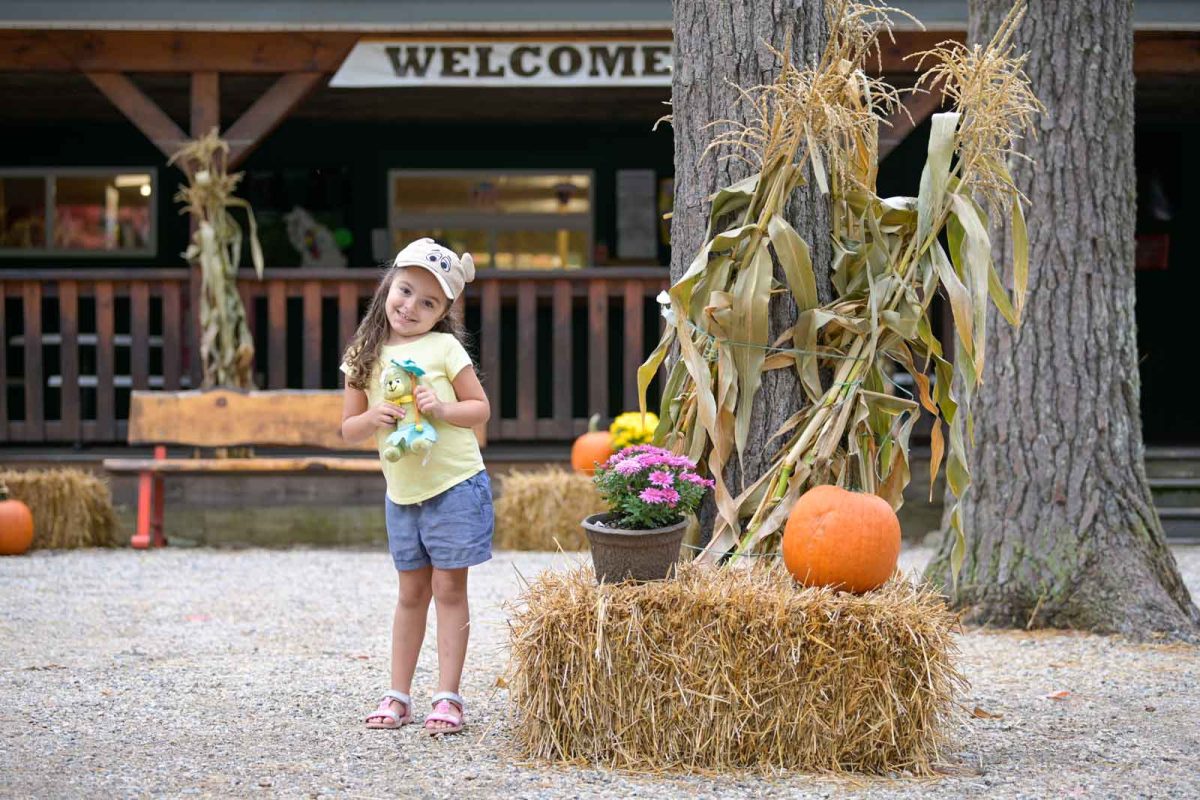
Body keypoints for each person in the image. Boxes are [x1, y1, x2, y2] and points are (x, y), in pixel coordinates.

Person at [339, 237, 492, 735]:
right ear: (389, 284)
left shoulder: (445, 348)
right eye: (405, 291)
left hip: (454, 484)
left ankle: (448, 696)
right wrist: (370, 418)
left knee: (449, 588)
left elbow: (480, 409)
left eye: (429, 302)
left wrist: (442, 409)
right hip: (402, 494)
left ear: (444, 311)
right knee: (410, 593)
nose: (411, 307)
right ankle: (397, 692)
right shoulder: (364, 353)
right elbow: (347, 429)